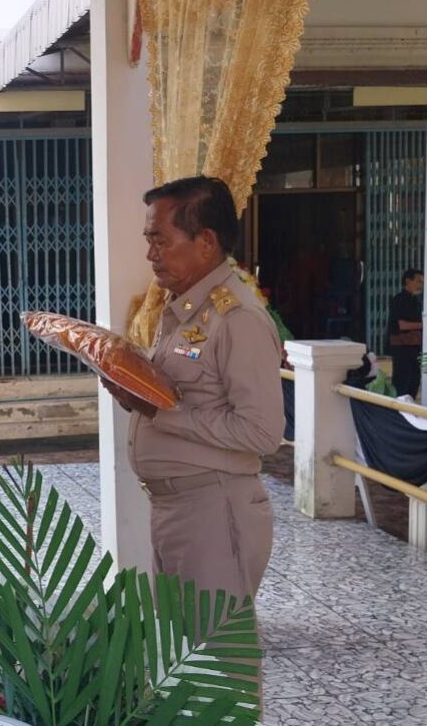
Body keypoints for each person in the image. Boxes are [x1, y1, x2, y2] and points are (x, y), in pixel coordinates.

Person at [104, 176, 285, 604]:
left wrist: (158, 411)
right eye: (149, 241)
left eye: (160, 241)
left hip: (215, 512)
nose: (151, 254)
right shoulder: (184, 308)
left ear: (205, 241)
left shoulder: (237, 318)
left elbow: (262, 432)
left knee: (215, 643)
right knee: (183, 641)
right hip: (178, 509)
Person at [386, 268, 424, 398]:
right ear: (408, 281)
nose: (420, 285)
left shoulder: (416, 301)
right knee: (402, 380)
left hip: (414, 346)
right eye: (418, 281)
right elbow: (402, 325)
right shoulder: (399, 300)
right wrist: (423, 325)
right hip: (401, 347)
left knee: (414, 379)